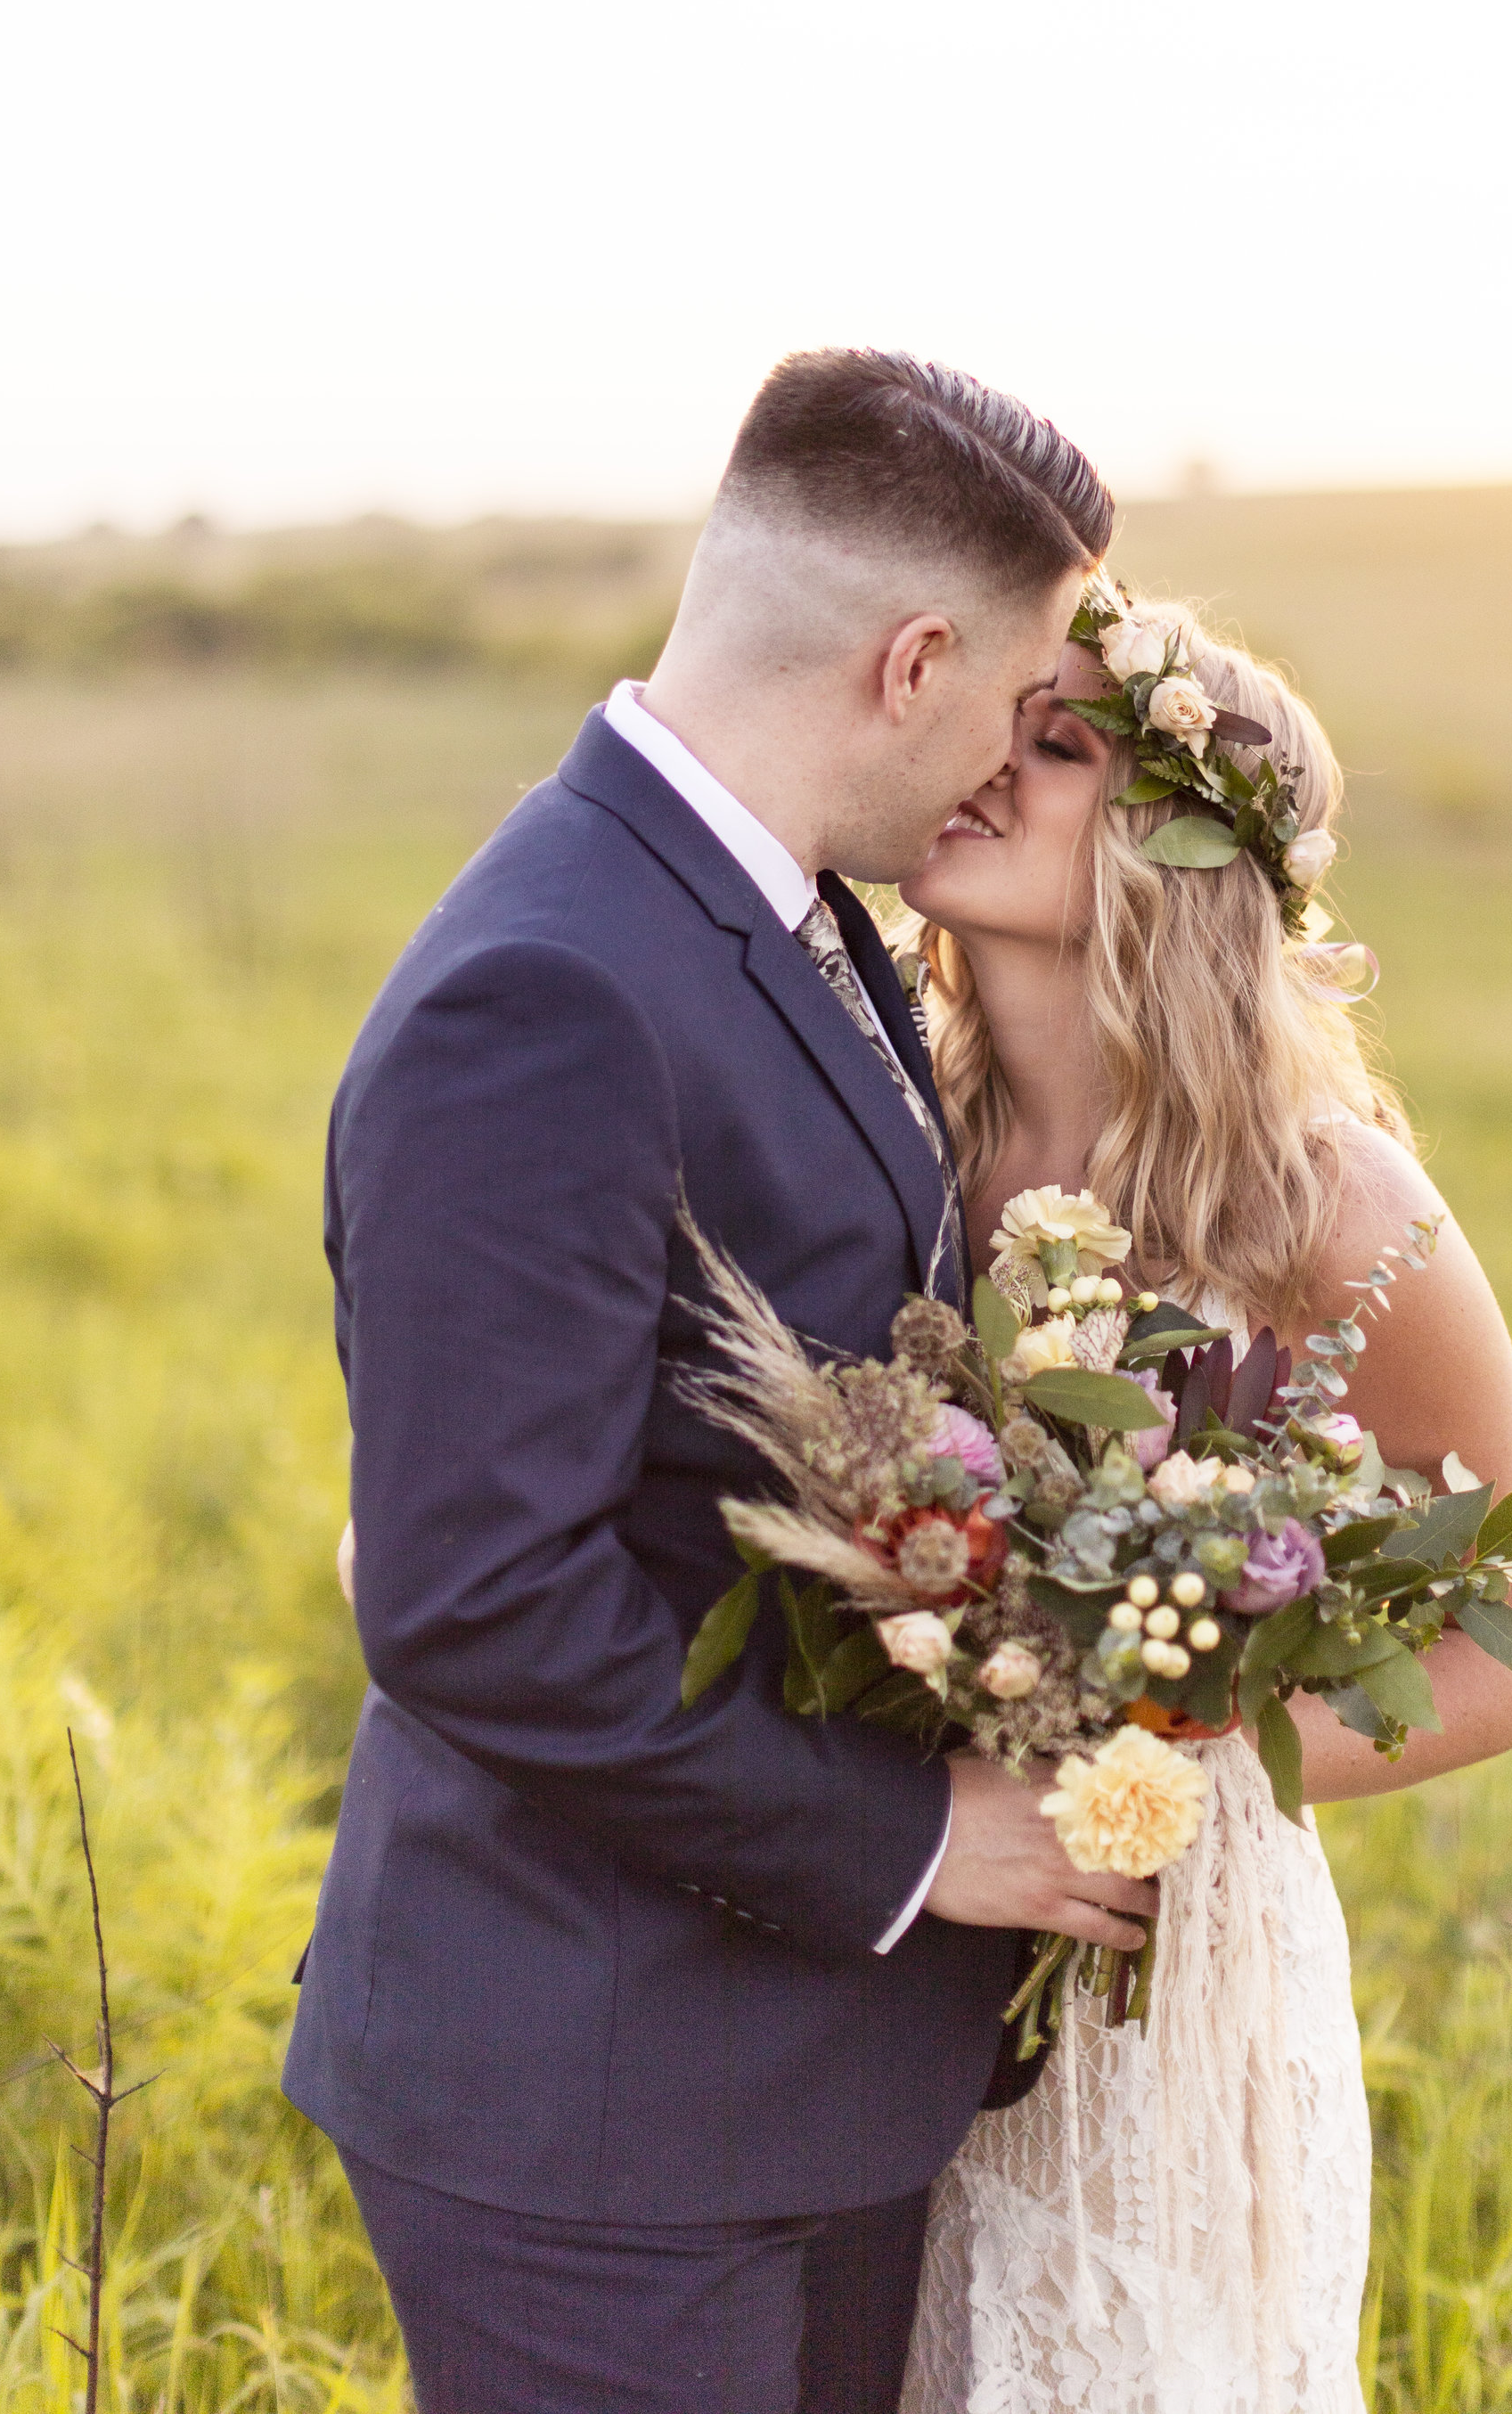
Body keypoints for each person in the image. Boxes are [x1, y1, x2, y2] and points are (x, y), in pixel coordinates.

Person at [283, 350, 1145, 2414]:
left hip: (785, 2072)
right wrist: (924, 1837)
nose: (1004, 769)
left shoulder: (788, 912)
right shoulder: (548, 987)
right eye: (1013, 711)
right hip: (590, 2114)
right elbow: (474, 1598)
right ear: (908, 658)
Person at [894, 601, 1512, 2414]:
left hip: (1167, 1967)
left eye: (1050, 751)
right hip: (905, 1910)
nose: (981, 764)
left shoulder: (1324, 1199)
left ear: (1165, 855)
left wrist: (1170, 1756)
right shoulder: (890, 1134)